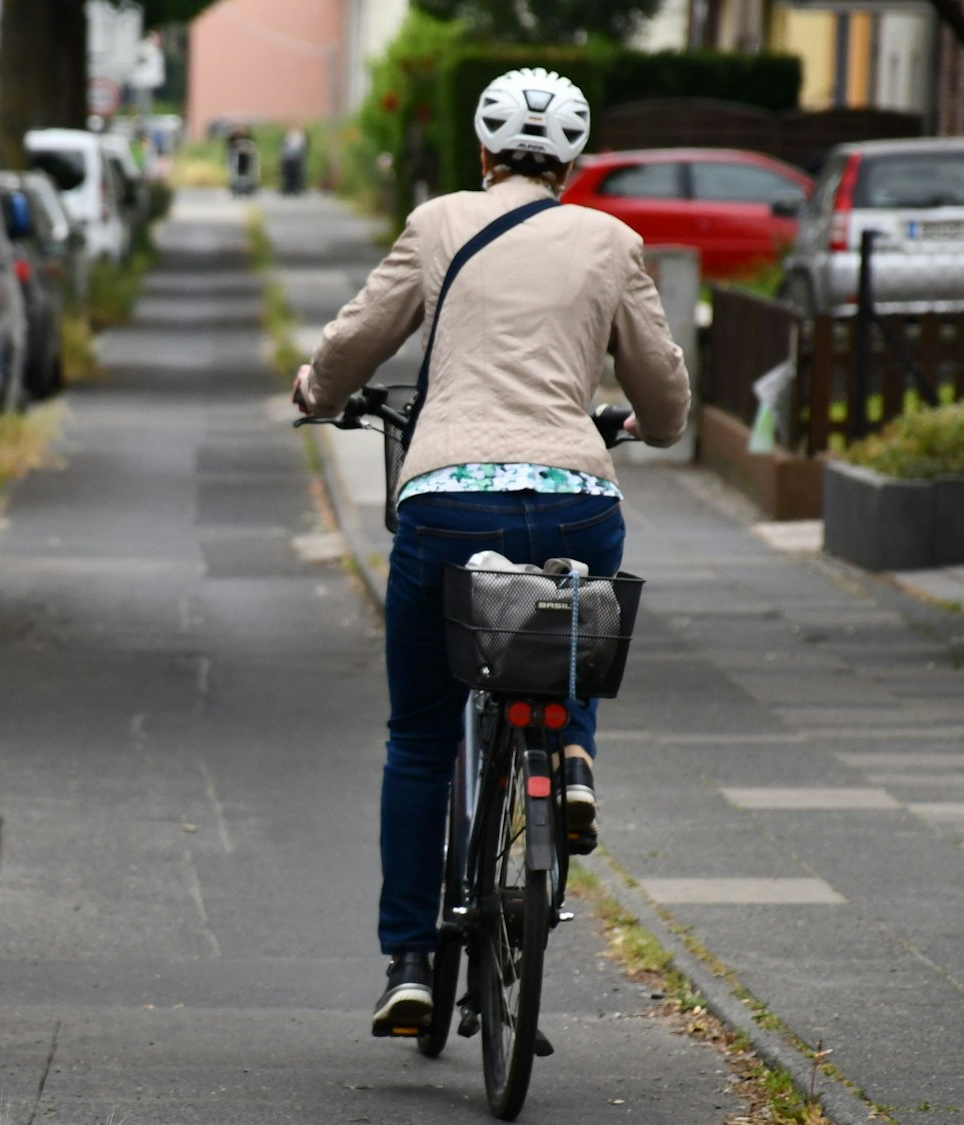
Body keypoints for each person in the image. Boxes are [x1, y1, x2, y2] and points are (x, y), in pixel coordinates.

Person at [291, 67, 691, 1036]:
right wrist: (649, 421)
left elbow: (358, 339)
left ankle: (409, 963)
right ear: (573, 161)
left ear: (481, 151)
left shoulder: (436, 224)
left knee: (421, 736)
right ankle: (575, 756)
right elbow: (664, 393)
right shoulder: (609, 240)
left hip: (447, 502)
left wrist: (313, 386)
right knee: (572, 629)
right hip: (572, 498)